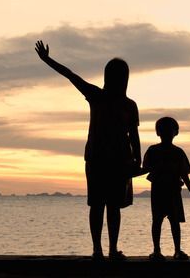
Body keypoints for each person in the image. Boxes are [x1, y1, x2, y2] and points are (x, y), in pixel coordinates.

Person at [35, 40, 141, 261]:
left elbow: (134, 134)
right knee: (97, 204)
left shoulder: (129, 104)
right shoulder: (96, 96)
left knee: (113, 207)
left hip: (120, 161)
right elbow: (71, 75)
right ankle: (97, 250)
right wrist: (47, 60)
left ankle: (111, 249)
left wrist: (137, 160)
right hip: (97, 159)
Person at [142, 117, 190, 261]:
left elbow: (184, 174)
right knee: (158, 220)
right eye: (164, 131)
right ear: (158, 132)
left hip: (172, 189)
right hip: (160, 189)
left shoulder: (177, 152)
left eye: (169, 130)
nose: (167, 133)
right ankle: (158, 250)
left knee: (173, 221)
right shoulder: (154, 150)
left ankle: (175, 250)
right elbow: (145, 168)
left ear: (176, 132)